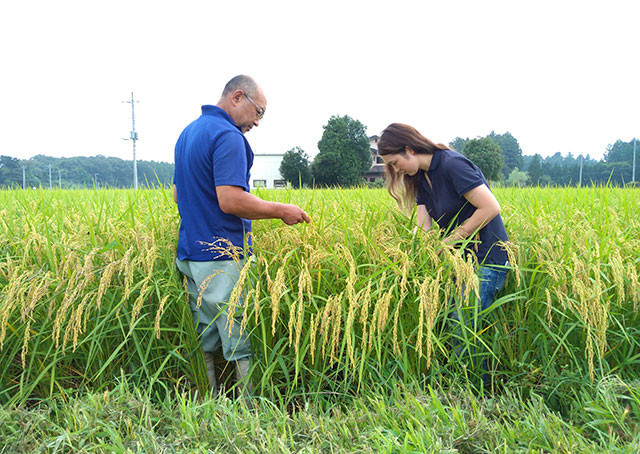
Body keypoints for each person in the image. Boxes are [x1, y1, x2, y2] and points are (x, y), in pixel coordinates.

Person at [173, 75, 310, 396]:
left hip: (190, 254)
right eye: (259, 112)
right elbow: (231, 200)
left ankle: (207, 400)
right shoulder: (228, 136)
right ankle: (250, 408)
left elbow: (179, 195)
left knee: (204, 332)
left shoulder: (188, 133)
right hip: (222, 254)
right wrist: (280, 209)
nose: (258, 122)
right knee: (239, 333)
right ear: (238, 97)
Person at [376, 123, 509, 331]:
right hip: (460, 261)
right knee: (446, 326)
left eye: (395, 162)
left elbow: (490, 207)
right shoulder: (422, 177)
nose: (396, 170)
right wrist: (405, 253)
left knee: (461, 329)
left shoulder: (451, 165)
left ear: (409, 149)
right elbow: (423, 228)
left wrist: (449, 241)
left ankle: (469, 366)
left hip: (487, 259)